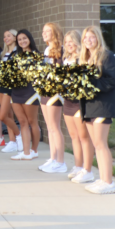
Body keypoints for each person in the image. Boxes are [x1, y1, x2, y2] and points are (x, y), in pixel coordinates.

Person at [79, 26, 115, 194]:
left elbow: (111, 81)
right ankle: (102, 179)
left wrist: (89, 84)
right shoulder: (86, 58)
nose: (88, 40)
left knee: (101, 144)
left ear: (98, 38)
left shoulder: (106, 56)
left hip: (102, 105)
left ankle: (108, 182)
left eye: (91, 37)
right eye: (85, 37)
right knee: (96, 144)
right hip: (89, 106)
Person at [61, 30, 95, 184]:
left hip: (79, 101)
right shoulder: (66, 59)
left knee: (83, 137)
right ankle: (78, 166)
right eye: (66, 41)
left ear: (77, 42)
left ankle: (88, 170)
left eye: (71, 41)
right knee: (73, 136)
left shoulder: (83, 59)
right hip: (68, 101)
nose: (69, 44)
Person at [39, 23, 67, 173]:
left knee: (55, 127)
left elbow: (60, 73)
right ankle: (53, 158)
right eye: (43, 31)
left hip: (54, 92)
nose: (44, 34)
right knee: (49, 127)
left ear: (55, 33)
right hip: (44, 90)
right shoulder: (46, 49)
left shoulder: (61, 49)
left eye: (47, 31)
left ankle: (61, 162)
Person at [10, 30, 41, 161]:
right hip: (16, 91)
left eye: (24, 38)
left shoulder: (36, 55)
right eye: (19, 40)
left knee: (32, 121)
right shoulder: (15, 56)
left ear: (29, 39)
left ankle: (34, 150)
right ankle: (26, 152)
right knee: (22, 122)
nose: (22, 41)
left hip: (30, 91)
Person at [0, 30, 23, 153]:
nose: (6, 38)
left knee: (2, 116)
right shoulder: (3, 53)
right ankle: (12, 141)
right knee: (8, 115)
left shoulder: (18, 52)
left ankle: (19, 136)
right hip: (1, 85)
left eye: (8, 36)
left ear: (15, 37)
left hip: (10, 86)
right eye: (4, 36)